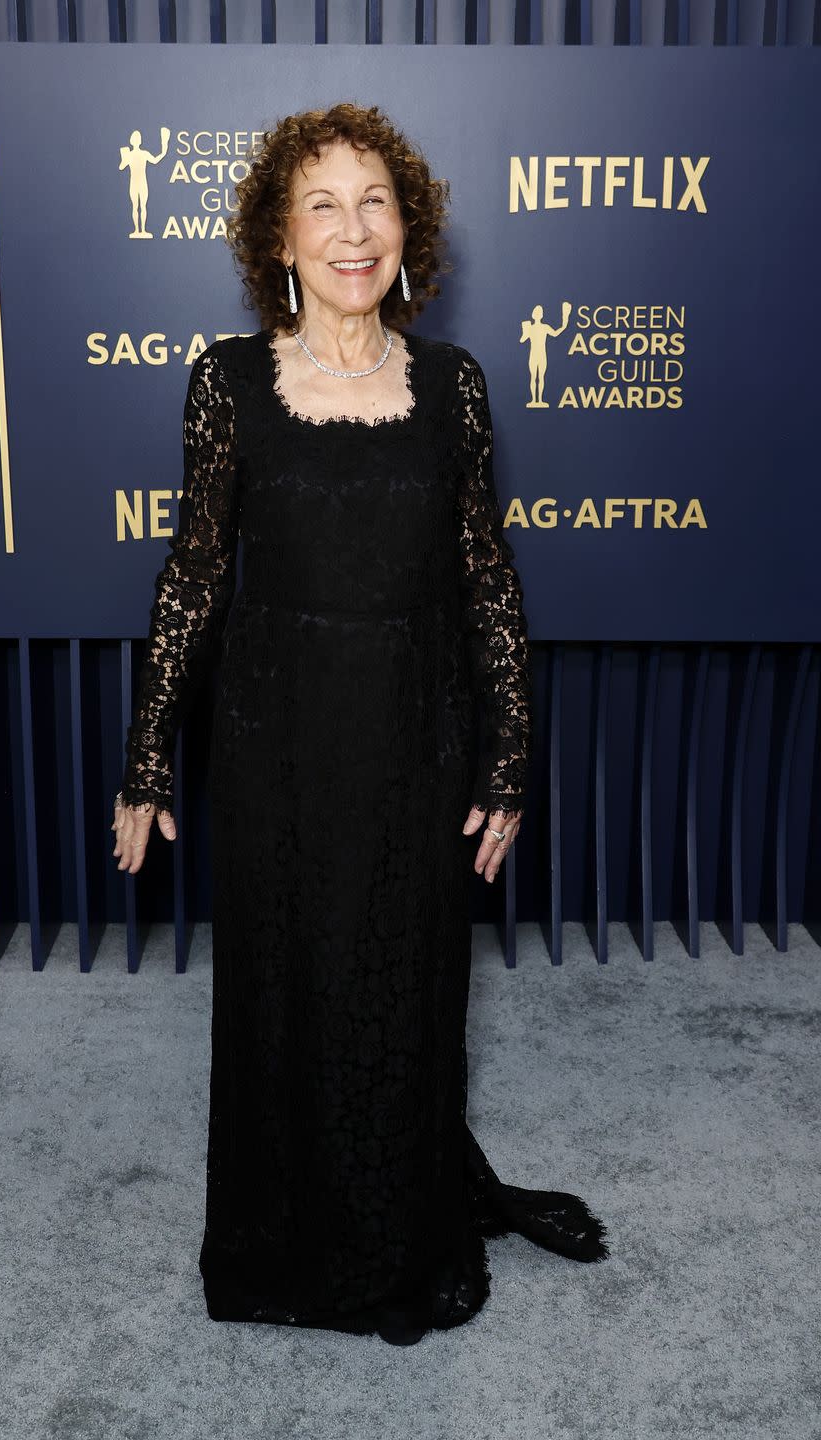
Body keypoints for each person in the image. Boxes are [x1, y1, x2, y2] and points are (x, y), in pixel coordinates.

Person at [111, 102, 609, 1346]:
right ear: (280, 234)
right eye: (322, 203)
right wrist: (147, 756)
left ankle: (392, 1244)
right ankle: (286, 1249)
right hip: (274, 748)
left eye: (375, 201)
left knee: (401, 990)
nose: (353, 229)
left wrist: (508, 752)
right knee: (285, 991)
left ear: (409, 229)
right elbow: (194, 576)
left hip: (414, 743)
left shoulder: (453, 386)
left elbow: (486, 576)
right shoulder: (229, 382)